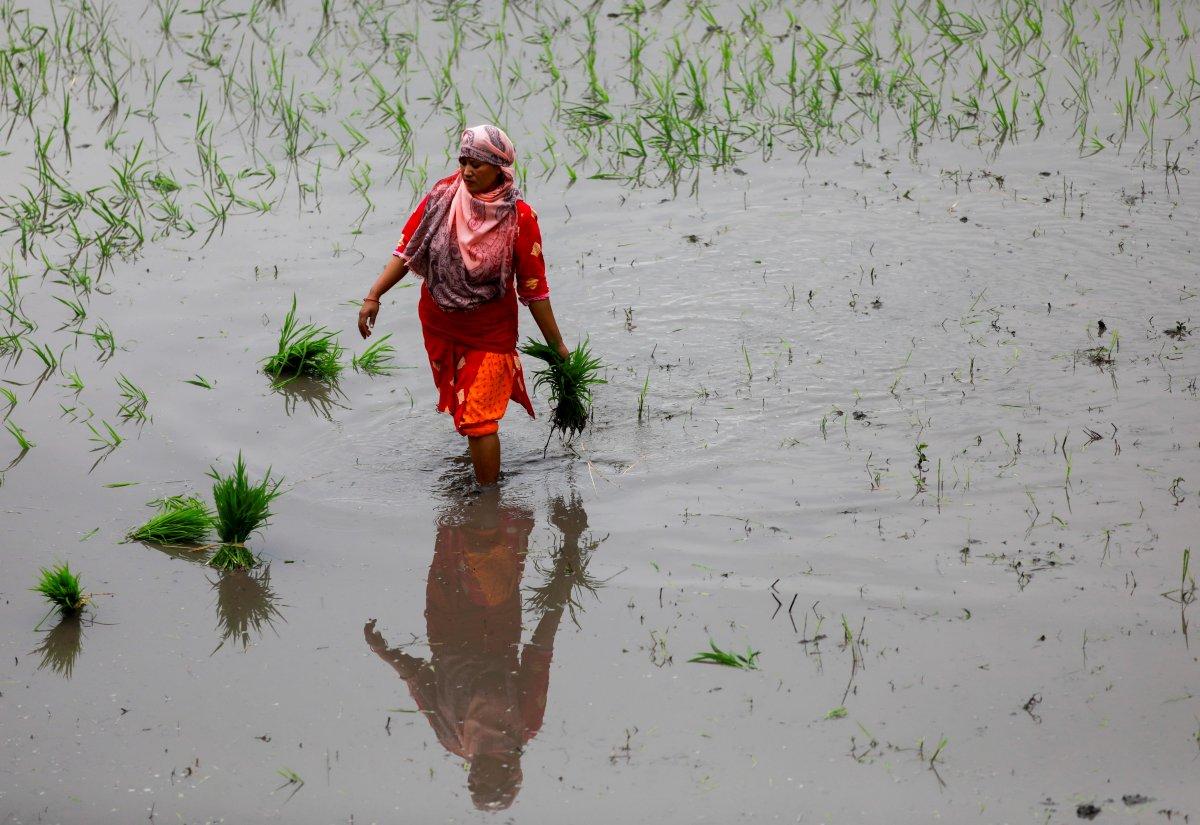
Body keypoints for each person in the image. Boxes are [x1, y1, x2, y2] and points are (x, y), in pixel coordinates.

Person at [358, 124, 569, 485]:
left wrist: (558, 347)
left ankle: (488, 507)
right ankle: (480, 480)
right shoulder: (443, 197)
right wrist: (374, 295)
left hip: (490, 332)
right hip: (440, 322)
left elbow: (534, 289)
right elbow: (408, 249)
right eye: (464, 161)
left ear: (500, 169)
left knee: (480, 418)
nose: (468, 171)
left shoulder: (519, 218)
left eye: (479, 164)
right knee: (467, 410)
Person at [364, 488, 583, 811]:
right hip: (481, 615)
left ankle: (482, 468)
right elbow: (539, 651)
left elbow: (421, 683)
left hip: (458, 615)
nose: (491, 745)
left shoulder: (456, 737)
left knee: (464, 523)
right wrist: (569, 547)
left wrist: (388, 654)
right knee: (477, 527)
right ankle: (485, 468)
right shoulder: (516, 725)